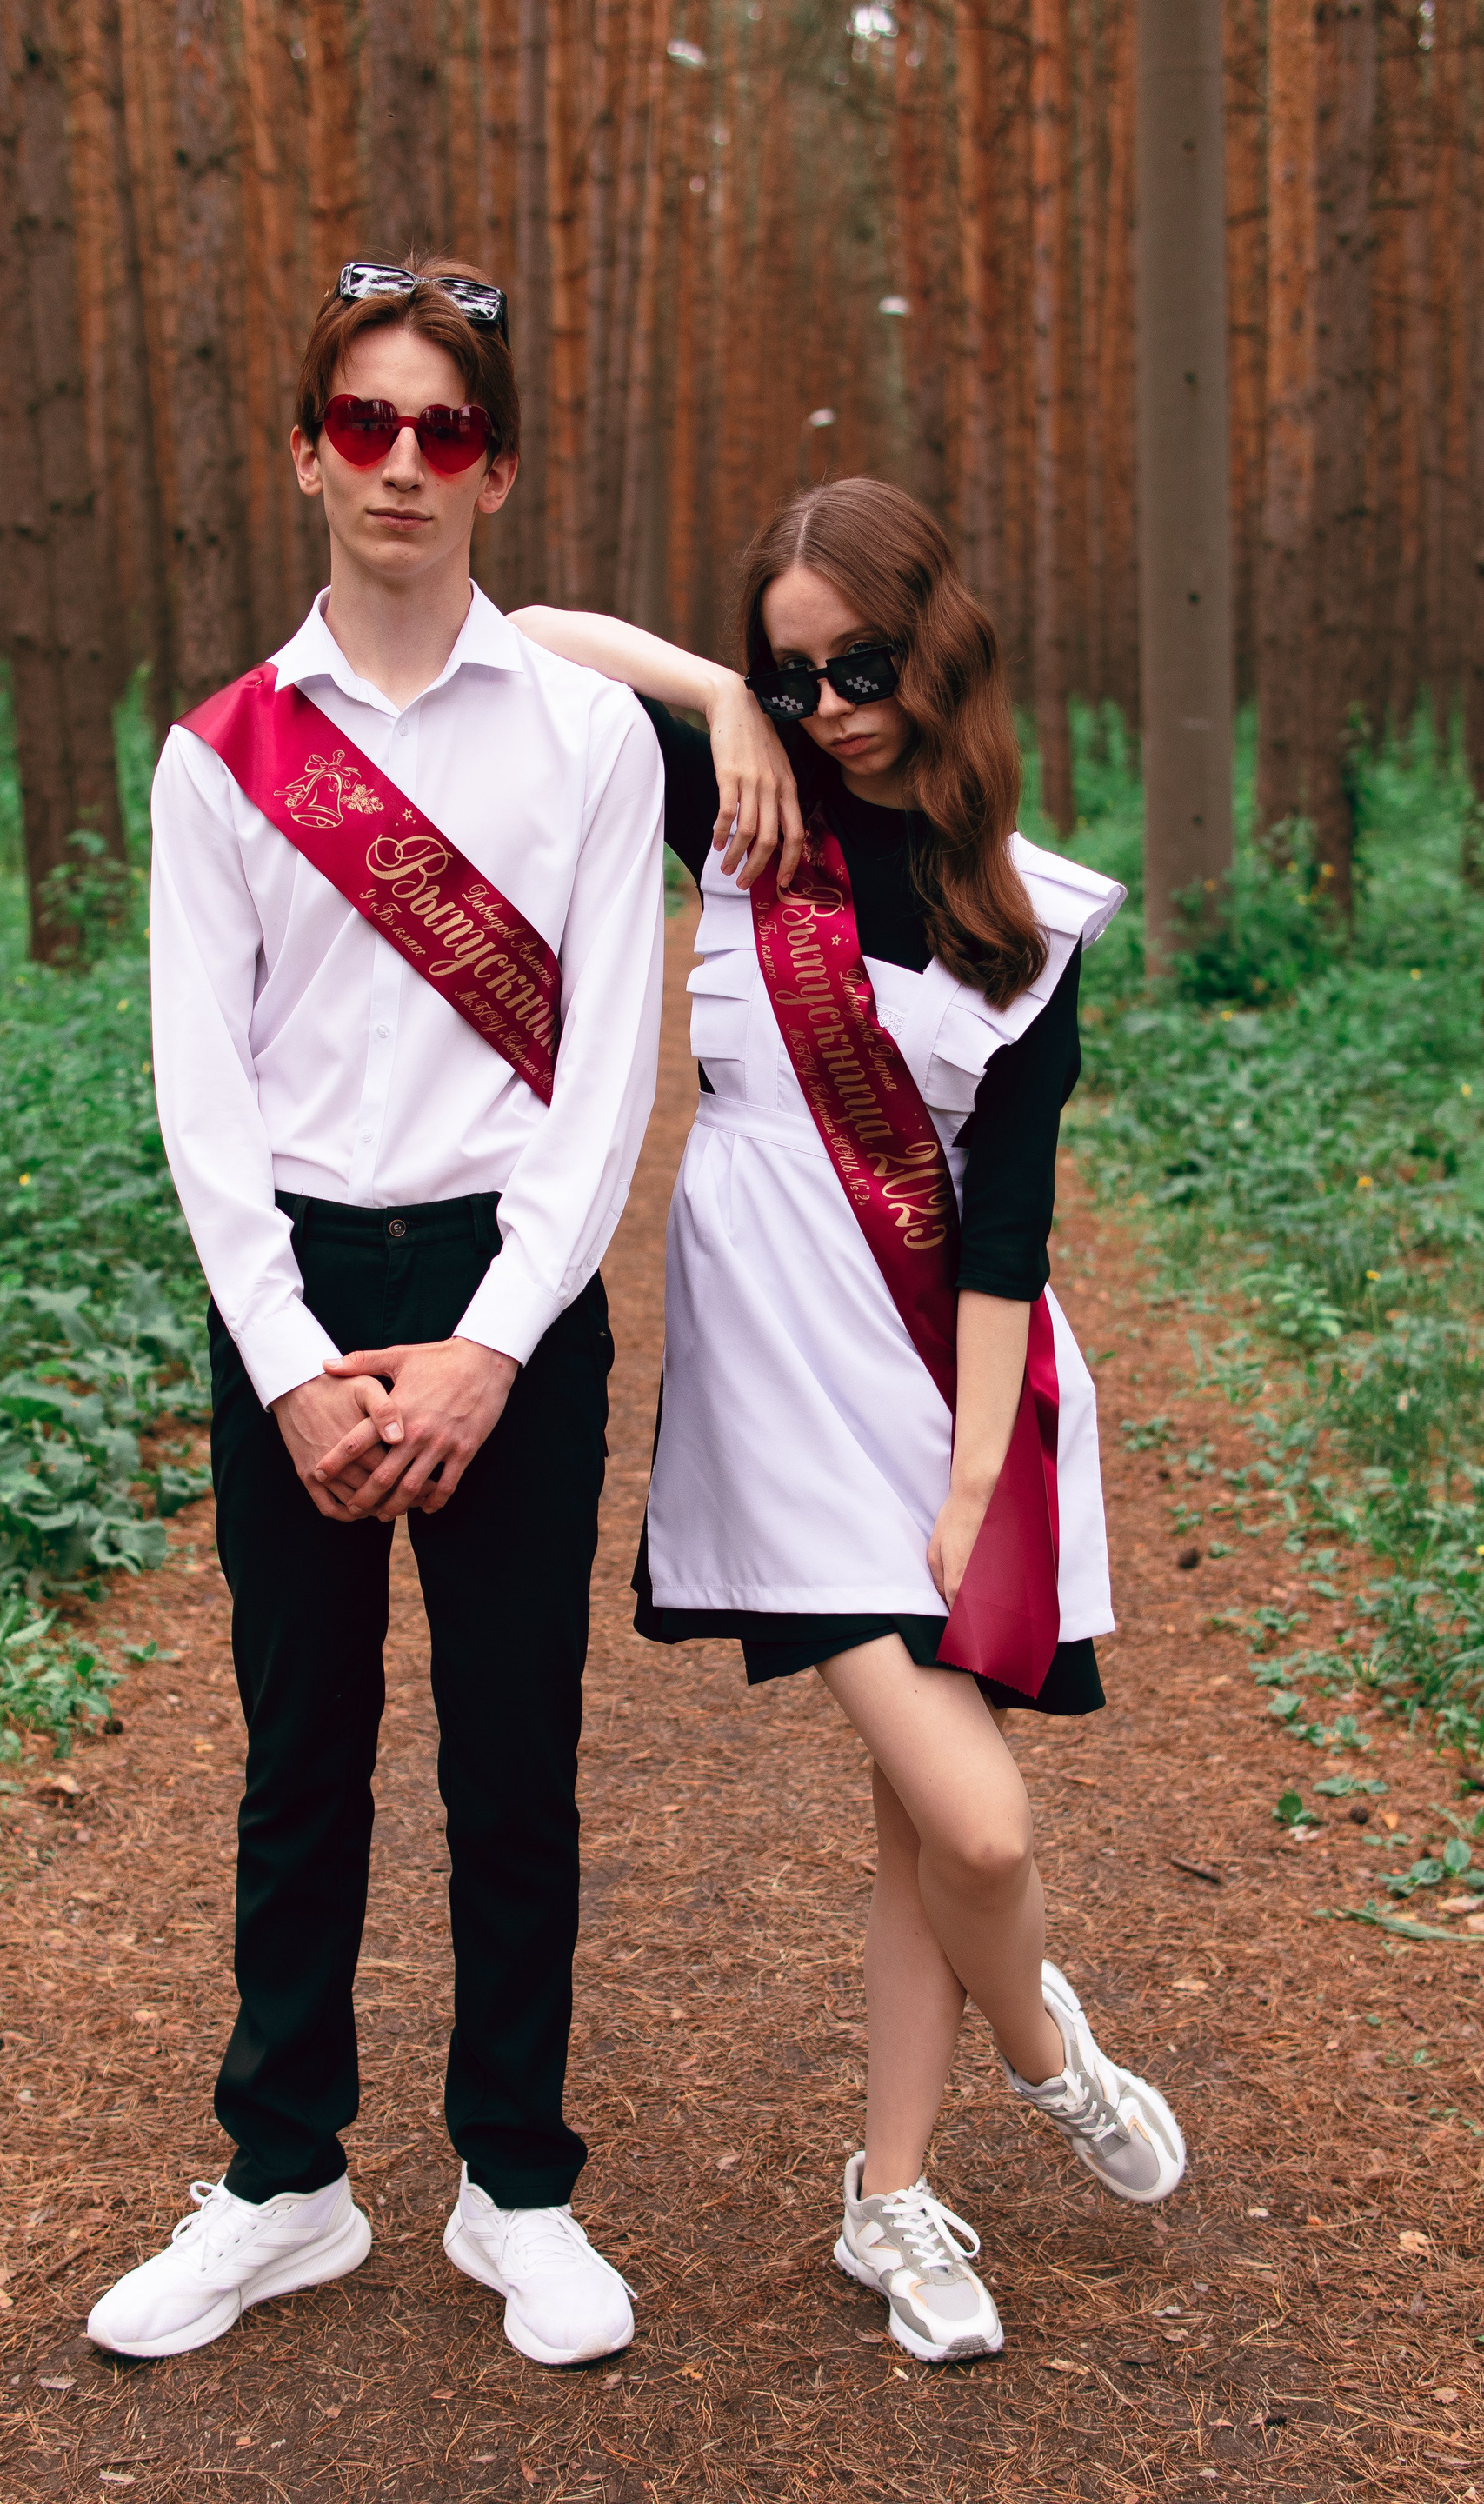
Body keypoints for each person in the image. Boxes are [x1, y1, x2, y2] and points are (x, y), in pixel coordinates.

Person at [511, 475, 1184, 2366]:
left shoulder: (1028, 915)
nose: (831, 708)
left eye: (861, 668)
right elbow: (530, 636)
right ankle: (1052, 2062)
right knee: (984, 1828)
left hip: (947, 1388)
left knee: (927, 1836)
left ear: (939, 645)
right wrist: (719, 702)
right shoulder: (742, 808)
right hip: (773, 1396)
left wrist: (975, 1481)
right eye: (794, 673)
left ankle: (890, 2199)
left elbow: (1011, 1223)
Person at [87, 258, 667, 2368]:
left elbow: (609, 1074)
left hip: (511, 1287)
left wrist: (497, 1342)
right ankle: (285, 2181)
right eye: (365, 423)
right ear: (308, 455)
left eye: (445, 428)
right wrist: (288, 1363)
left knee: (514, 1759)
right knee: (299, 1757)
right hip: (302, 1298)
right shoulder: (220, 756)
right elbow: (202, 1089)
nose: (401, 462)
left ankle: (518, 2185)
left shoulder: (591, 737)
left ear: (494, 469)